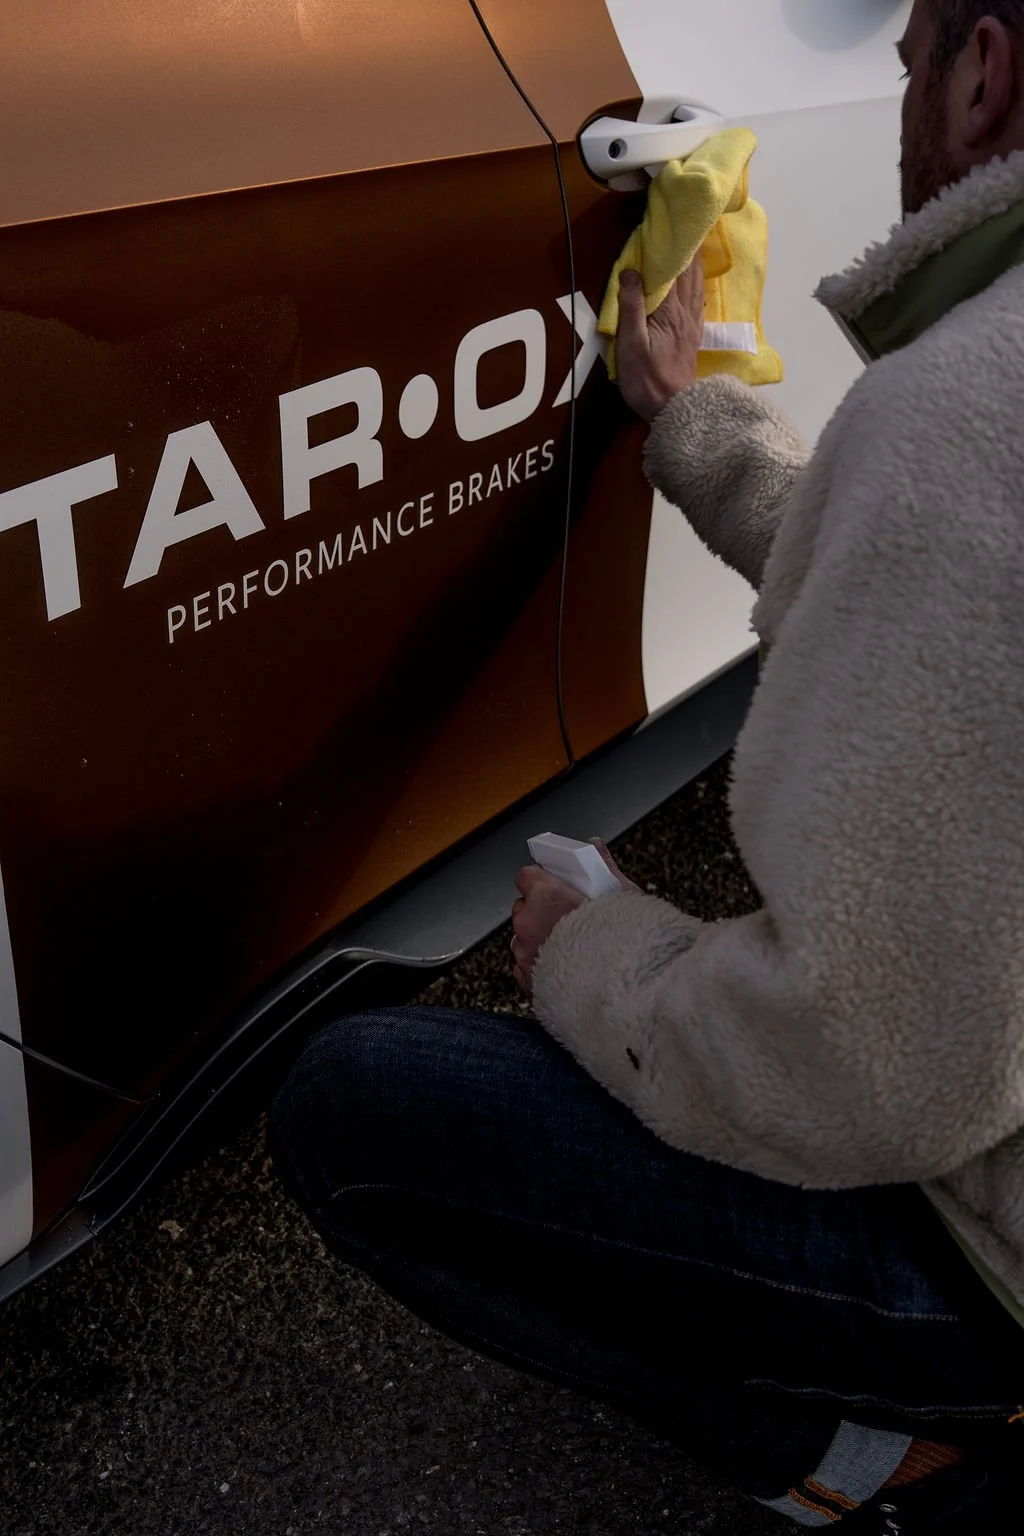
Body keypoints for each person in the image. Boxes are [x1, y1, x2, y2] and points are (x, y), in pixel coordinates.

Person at [270, 2, 1024, 1528]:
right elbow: (957, 618)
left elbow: (873, 1074)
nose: (895, 103)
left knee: (355, 1115)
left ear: (983, 70)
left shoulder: (965, 414)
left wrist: (607, 957)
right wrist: (697, 427)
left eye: (905, 63)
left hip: (998, 1261)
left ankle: (885, 1458)